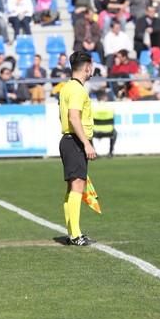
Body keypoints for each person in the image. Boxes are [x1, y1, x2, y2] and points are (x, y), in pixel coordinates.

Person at [58, 51, 96, 246]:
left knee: (73, 186)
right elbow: (74, 117)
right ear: (87, 67)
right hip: (74, 141)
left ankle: (73, 232)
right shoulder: (77, 90)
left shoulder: (67, 87)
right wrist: (86, 143)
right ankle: (75, 235)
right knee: (77, 187)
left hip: (70, 140)